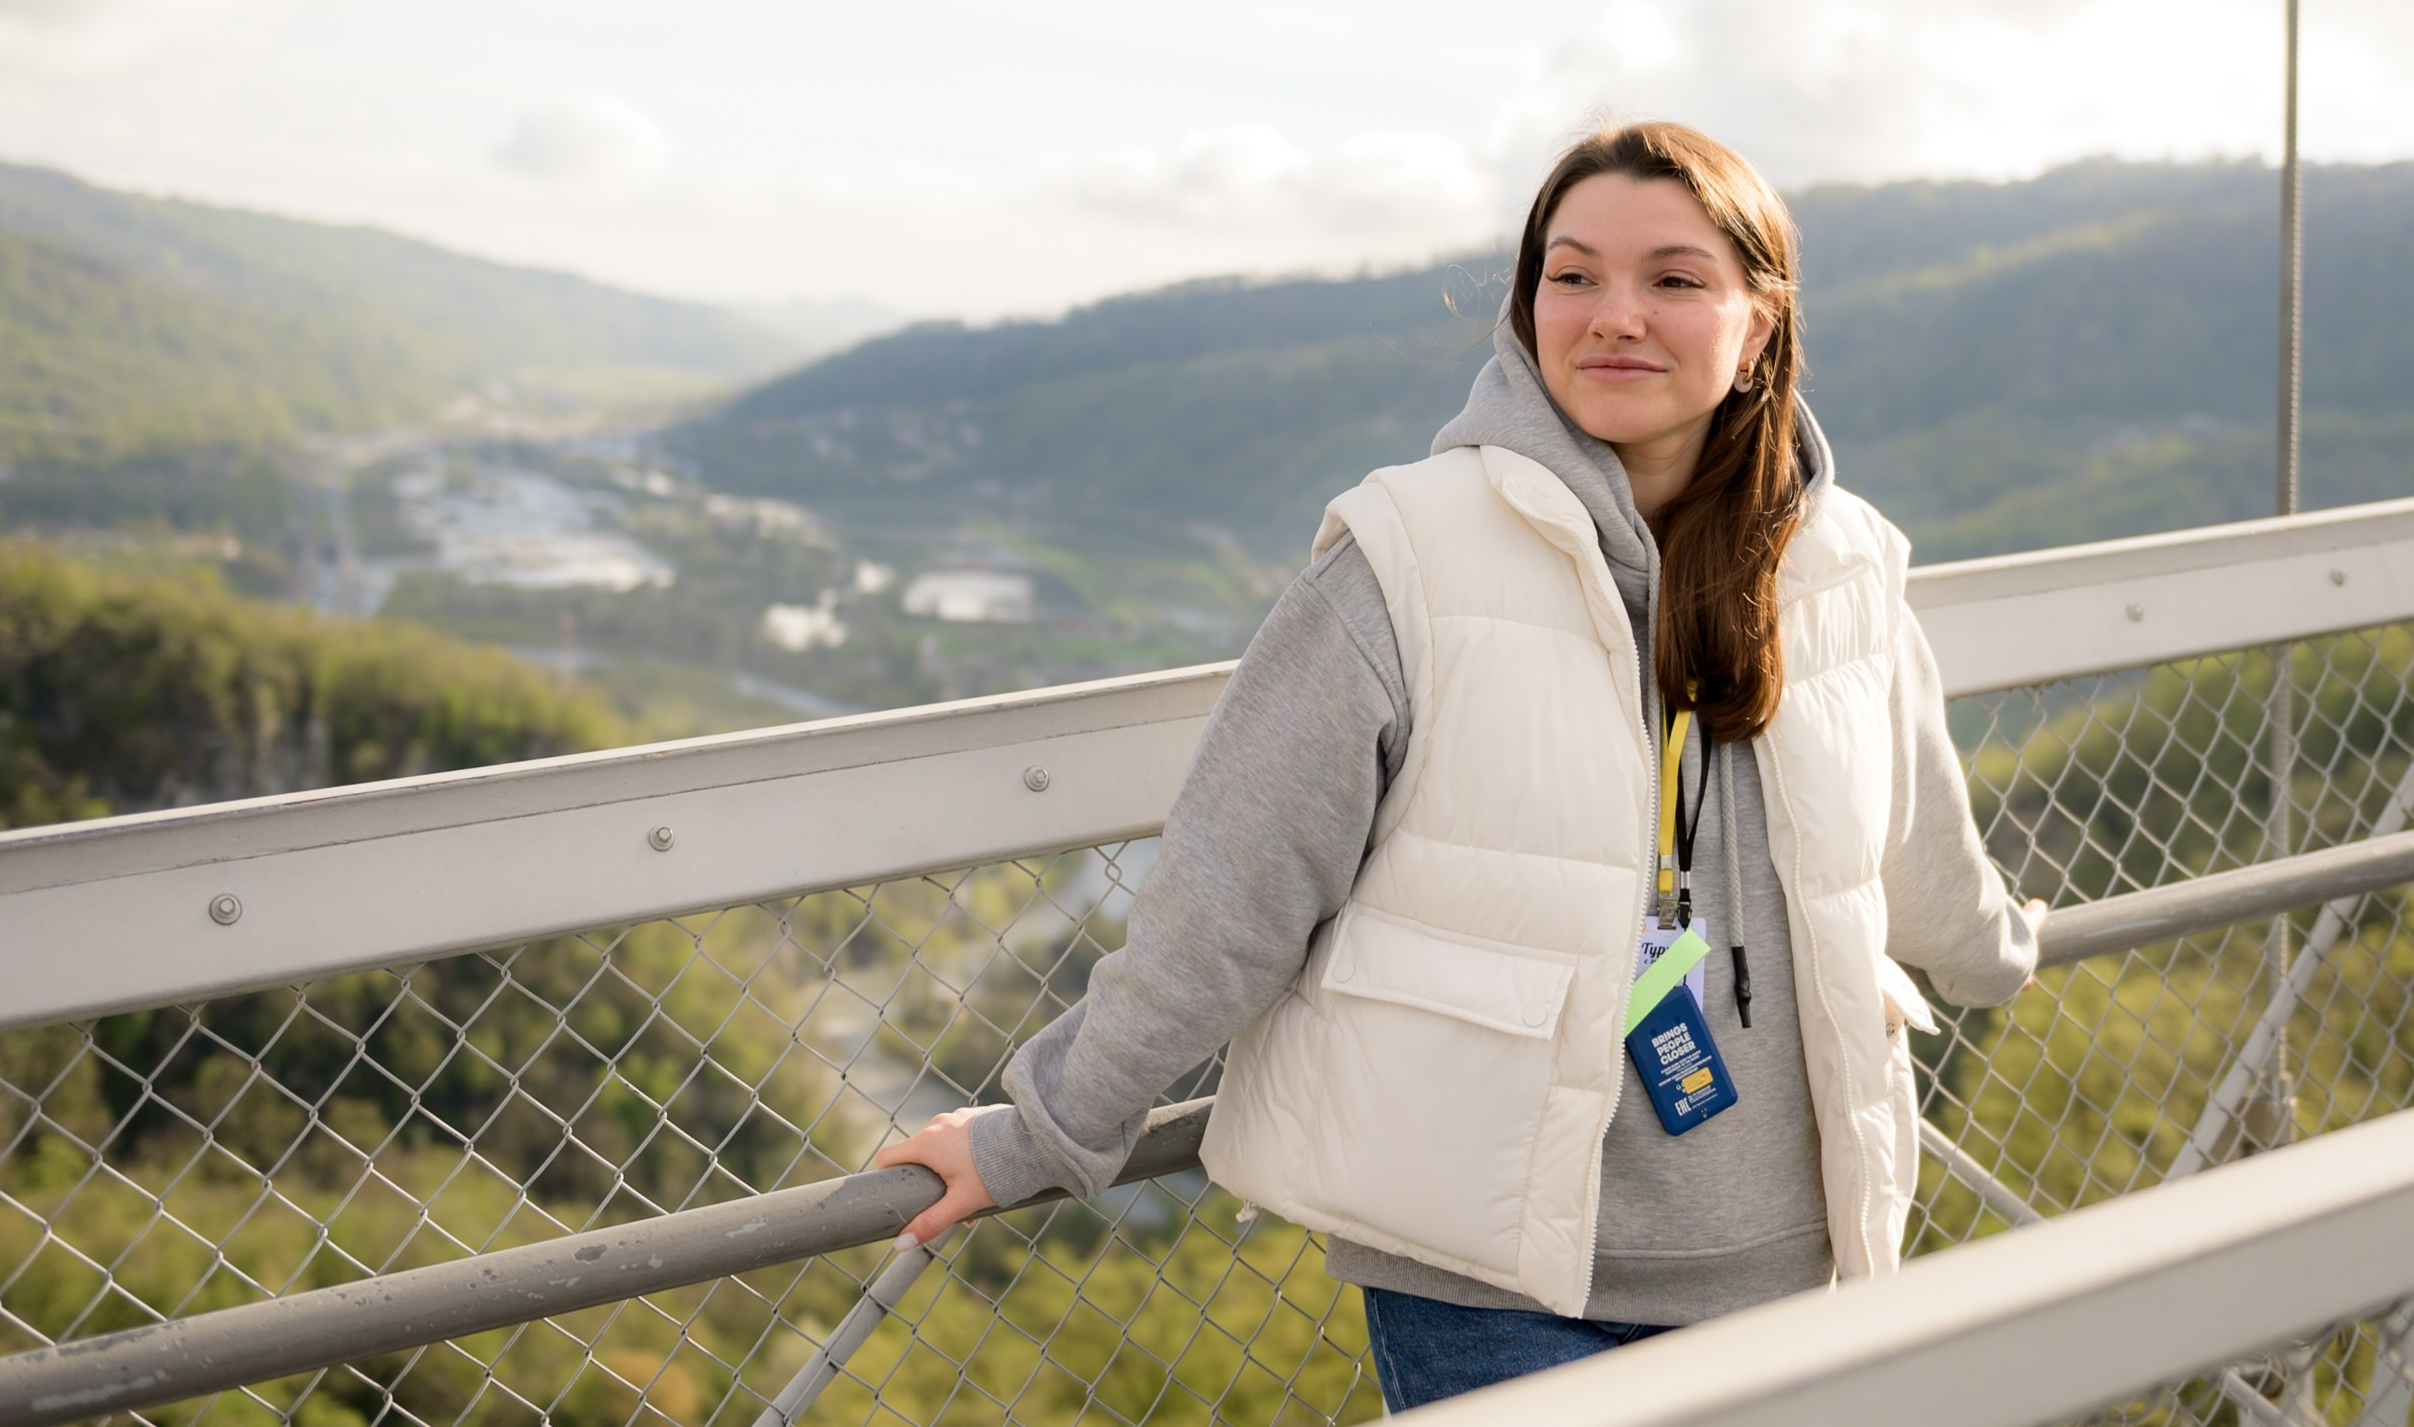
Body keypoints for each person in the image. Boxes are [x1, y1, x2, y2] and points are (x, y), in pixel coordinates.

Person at [876, 121, 2045, 1410]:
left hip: (1792, 1264)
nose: (1614, 316)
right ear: (1526, 303)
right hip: (1493, 1287)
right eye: (1573, 274)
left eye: (1672, 279)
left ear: (1759, 324)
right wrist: (1042, 1130)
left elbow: (1916, 846)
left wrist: (2002, 953)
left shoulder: (1847, 563)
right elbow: (1229, 895)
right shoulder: (1405, 554)